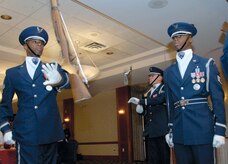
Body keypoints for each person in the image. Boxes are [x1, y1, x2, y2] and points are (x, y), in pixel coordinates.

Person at [0, 26, 70, 163]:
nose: (39, 45)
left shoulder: (51, 68)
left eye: (42, 42)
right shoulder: (12, 73)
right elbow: (4, 105)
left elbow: (69, 82)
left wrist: (59, 80)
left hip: (50, 132)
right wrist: (6, 129)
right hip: (25, 133)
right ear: (25, 46)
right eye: (35, 41)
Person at [164, 22, 226, 164]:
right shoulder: (168, 72)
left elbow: (217, 97)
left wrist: (220, 129)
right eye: (174, 38)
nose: (176, 40)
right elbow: (169, 103)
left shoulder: (205, 64)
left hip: (201, 129)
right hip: (179, 130)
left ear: (190, 38)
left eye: (180, 36)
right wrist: (171, 129)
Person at [128, 66, 170, 164]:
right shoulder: (149, 92)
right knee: (153, 159)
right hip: (151, 131)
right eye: (149, 76)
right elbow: (149, 112)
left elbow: (160, 100)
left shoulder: (164, 88)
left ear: (160, 77)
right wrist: (141, 111)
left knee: (164, 158)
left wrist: (141, 101)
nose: (149, 78)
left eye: (152, 76)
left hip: (162, 130)